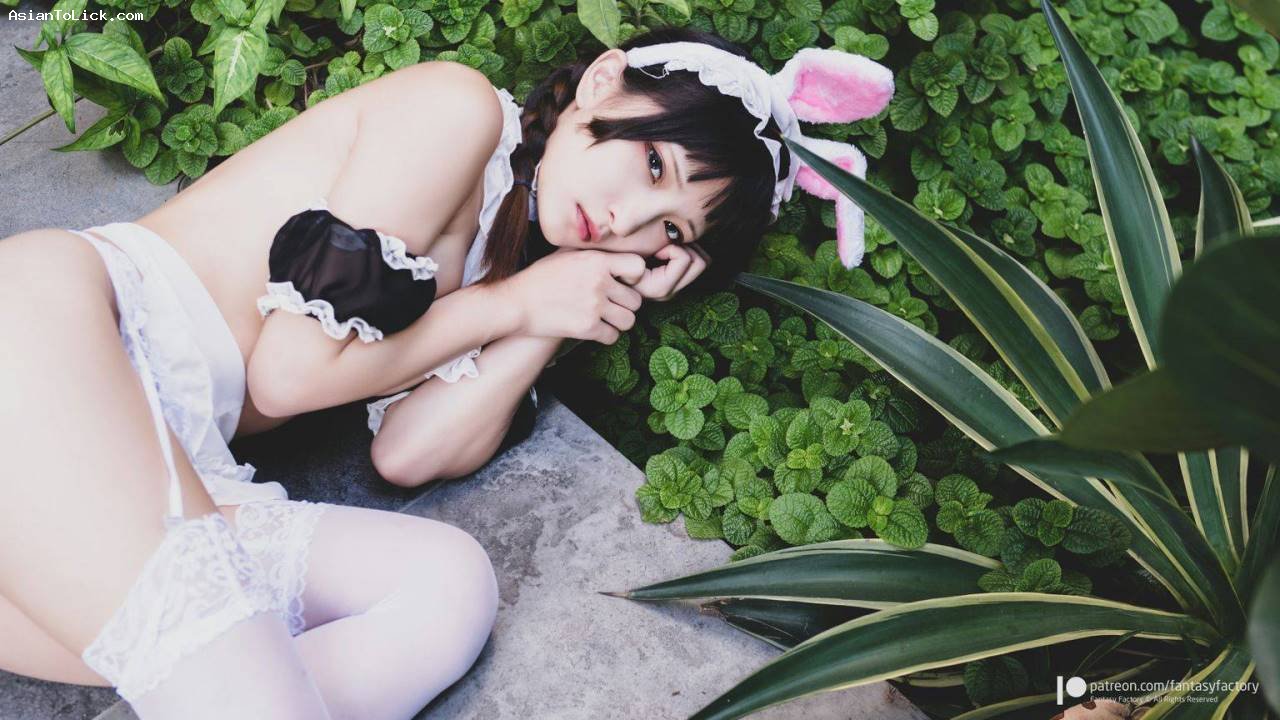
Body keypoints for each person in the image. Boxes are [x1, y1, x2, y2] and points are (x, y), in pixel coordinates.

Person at [0, 23, 892, 719]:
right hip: (61, 335)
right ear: (601, 82)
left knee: (445, 588)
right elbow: (288, 376)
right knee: (220, 659)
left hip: (170, 462)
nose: (628, 220)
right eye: (653, 164)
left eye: (669, 232)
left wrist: (562, 307)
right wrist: (516, 304)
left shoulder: (510, 268)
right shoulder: (455, 114)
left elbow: (410, 454)